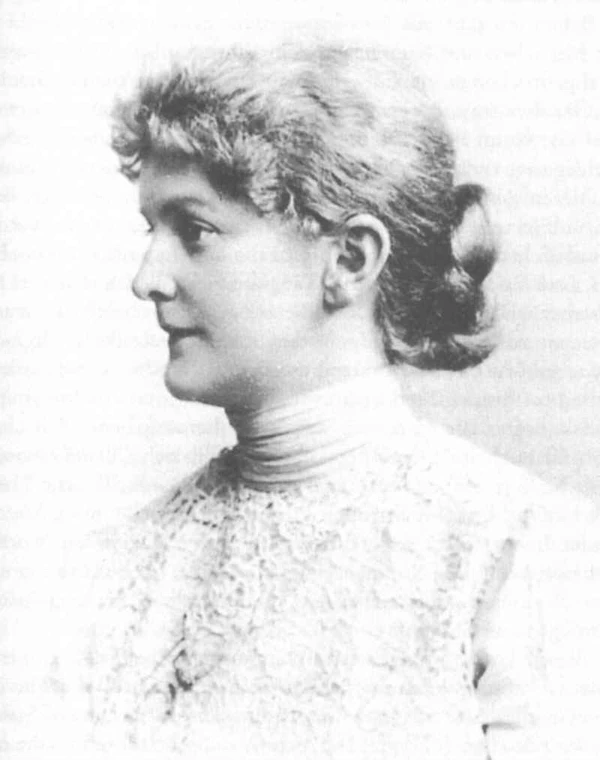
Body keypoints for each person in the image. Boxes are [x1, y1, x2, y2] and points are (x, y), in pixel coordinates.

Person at [55, 43, 591, 759]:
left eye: (195, 230)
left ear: (349, 259)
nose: (147, 277)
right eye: (152, 230)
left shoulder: (517, 554)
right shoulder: (110, 576)